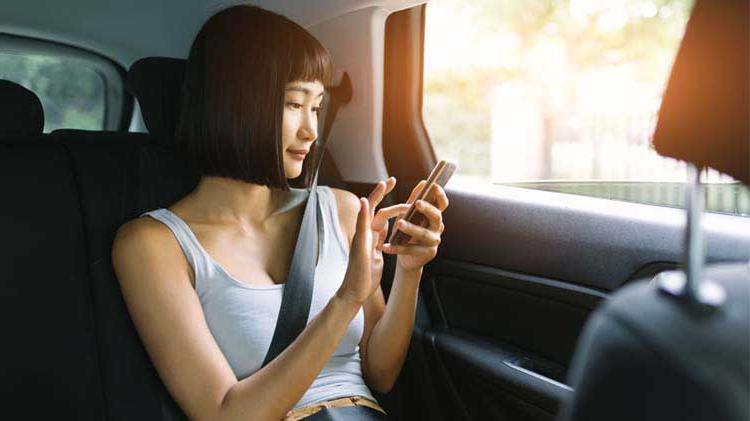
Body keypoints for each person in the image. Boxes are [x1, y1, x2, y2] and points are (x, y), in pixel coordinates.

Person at [111, 5, 448, 421]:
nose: (311, 131)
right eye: (293, 104)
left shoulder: (339, 209)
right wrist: (345, 299)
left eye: (317, 107)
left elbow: (380, 374)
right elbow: (225, 415)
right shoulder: (153, 245)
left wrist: (410, 272)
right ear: (233, 103)